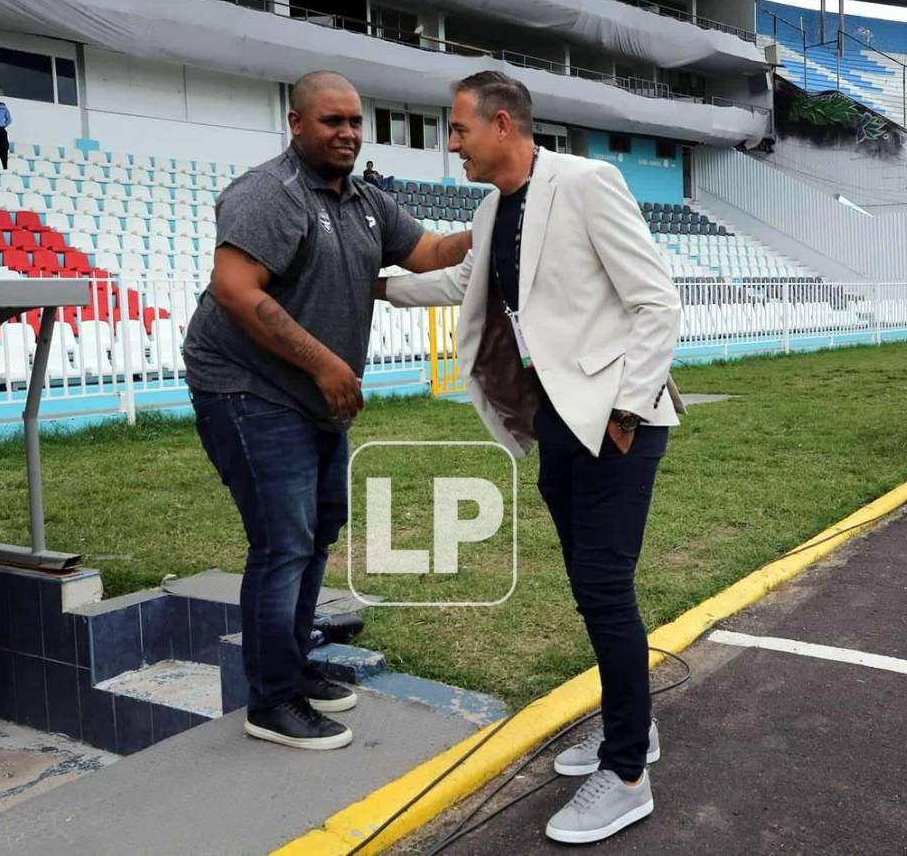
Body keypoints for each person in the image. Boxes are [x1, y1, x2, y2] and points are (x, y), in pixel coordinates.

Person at [381, 71, 684, 843]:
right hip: (555, 421)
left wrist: (626, 408)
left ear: (503, 124)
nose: (452, 145)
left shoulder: (586, 182)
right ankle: (633, 727)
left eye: (458, 130)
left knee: (603, 585)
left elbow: (657, 299)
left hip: (617, 421)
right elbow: (461, 279)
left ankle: (625, 775)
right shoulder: (492, 208)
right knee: (591, 588)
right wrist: (376, 284)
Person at [182, 70, 471, 752]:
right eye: (331, 121)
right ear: (297, 124)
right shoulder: (269, 194)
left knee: (317, 531)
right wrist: (323, 363)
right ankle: (271, 700)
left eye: (354, 122)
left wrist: (493, 222)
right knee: (282, 543)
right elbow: (233, 288)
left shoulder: (363, 200)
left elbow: (427, 253)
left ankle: (294, 666)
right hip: (246, 388)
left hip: (313, 398)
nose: (346, 133)